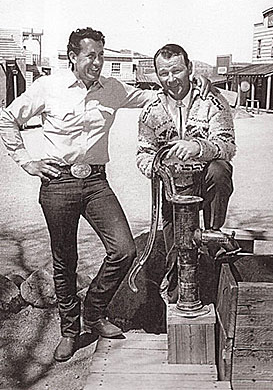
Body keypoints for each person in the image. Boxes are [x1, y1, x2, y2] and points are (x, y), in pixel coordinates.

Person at [0, 29, 210, 362]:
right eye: (90, 55)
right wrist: (27, 161)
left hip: (97, 183)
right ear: (73, 56)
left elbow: (153, 97)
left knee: (124, 250)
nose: (97, 62)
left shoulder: (112, 88)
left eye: (100, 54)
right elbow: (7, 118)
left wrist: (192, 86)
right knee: (64, 262)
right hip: (58, 184)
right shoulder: (48, 87)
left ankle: (94, 312)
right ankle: (70, 331)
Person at [136, 43, 236, 303]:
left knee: (219, 168)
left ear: (189, 68)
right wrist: (156, 167)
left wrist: (198, 147)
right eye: (164, 73)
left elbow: (227, 146)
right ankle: (176, 301)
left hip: (205, 181)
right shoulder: (151, 111)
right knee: (177, 255)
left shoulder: (213, 101)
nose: (171, 79)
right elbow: (143, 153)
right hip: (173, 190)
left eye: (177, 71)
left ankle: (213, 235)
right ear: (157, 75)